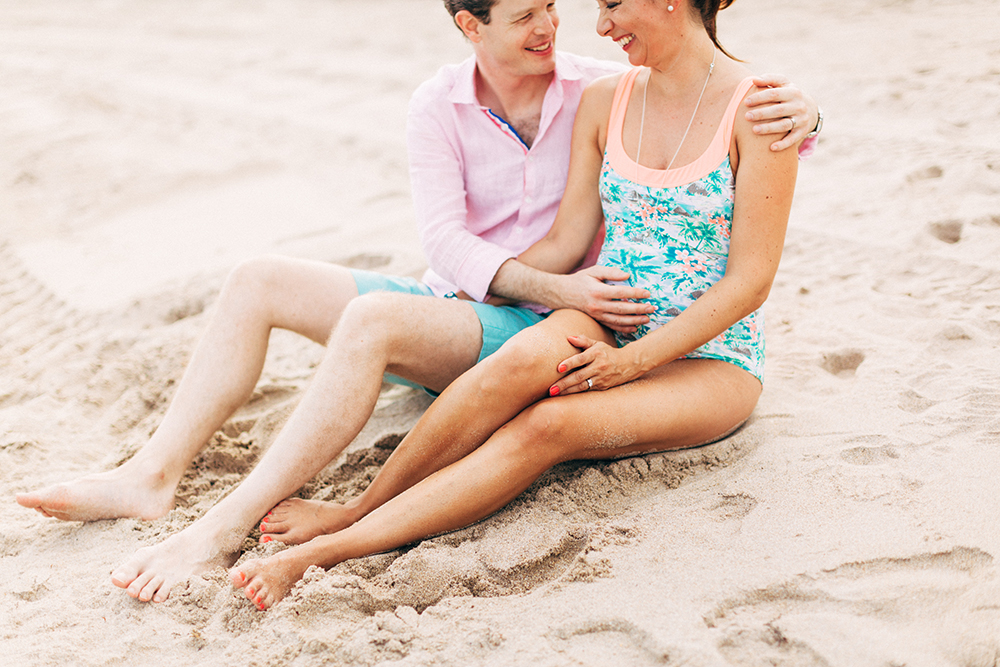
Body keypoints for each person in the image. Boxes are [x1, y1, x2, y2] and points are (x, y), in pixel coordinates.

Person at [15, 0, 817, 604]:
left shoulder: (624, 88)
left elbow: (747, 233)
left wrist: (812, 117)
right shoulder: (486, 103)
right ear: (472, 26)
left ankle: (316, 532)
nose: (576, 25)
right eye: (528, 15)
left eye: (571, 7)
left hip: (650, 339)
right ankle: (172, 476)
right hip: (540, 306)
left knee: (523, 406)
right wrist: (551, 296)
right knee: (270, 280)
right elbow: (496, 244)